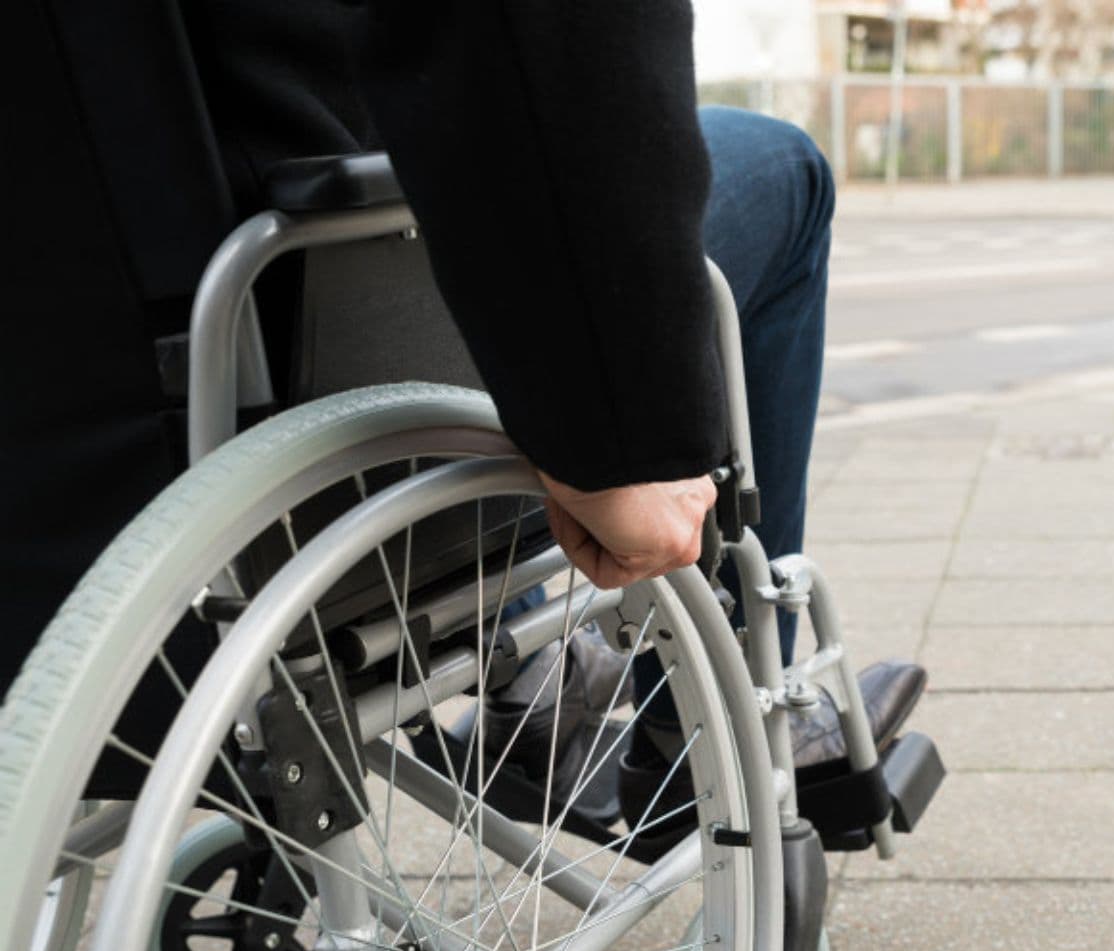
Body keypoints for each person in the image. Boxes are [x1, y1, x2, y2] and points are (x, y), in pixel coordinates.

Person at [4, 0, 922, 785]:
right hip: (302, 385)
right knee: (781, 166)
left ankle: (538, 670)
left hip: (65, 477)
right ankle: (718, 737)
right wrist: (626, 440)